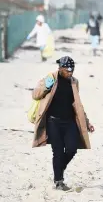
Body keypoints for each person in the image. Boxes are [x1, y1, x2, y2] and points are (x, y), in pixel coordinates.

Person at [31, 56, 95, 191]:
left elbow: (78, 104)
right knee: (58, 152)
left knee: (72, 149)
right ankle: (59, 181)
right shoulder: (51, 79)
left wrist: (87, 122)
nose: (70, 72)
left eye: (72, 70)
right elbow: (35, 94)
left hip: (69, 121)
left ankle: (59, 168)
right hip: (53, 122)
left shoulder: (74, 82)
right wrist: (45, 87)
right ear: (60, 68)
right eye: (67, 70)